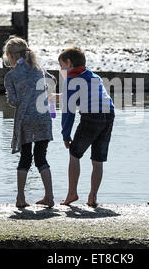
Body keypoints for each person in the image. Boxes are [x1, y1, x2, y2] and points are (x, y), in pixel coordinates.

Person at [3, 37, 57, 208]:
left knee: (25, 158)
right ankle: (49, 197)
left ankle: (20, 198)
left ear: (10, 55)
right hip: (43, 117)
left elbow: (14, 101)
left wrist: (10, 96)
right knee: (41, 157)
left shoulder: (11, 75)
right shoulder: (38, 69)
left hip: (25, 119)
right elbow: (53, 81)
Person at [58, 47, 115, 208]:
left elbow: (68, 111)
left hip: (92, 115)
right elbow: (84, 95)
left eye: (61, 65)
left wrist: (65, 135)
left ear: (69, 63)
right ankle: (92, 196)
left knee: (74, 154)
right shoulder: (93, 76)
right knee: (97, 159)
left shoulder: (70, 80)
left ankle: (72, 193)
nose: (61, 69)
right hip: (109, 113)